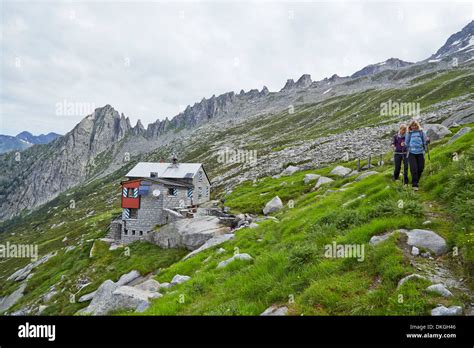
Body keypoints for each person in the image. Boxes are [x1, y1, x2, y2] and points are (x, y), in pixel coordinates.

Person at [405, 120, 429, 191]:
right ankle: (414, 185)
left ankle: (416, 180)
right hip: (411, 153)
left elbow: (425, 141)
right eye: (412, 126)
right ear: (410, 127)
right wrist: (407, 146)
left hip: (420, 152)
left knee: (421, 168)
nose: (414, 127)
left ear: (417, 125)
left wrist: (428, 140)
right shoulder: (409, 133)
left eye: (415, 125)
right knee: (414, 169)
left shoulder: (421, 132)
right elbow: (407, 143)